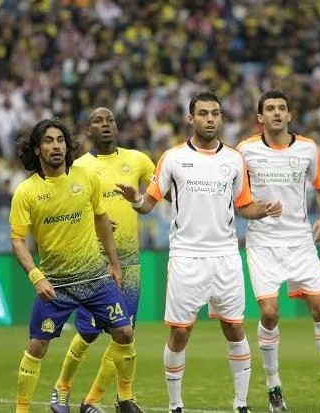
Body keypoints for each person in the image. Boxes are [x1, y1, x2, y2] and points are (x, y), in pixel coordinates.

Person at [115, 92, 282, 413]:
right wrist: (135, 199)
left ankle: (241, 404)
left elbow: (244, 205)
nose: (209, 119)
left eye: (215, 113)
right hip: (186, 257)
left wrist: (264, 209)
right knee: (180, 332)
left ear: (221, 118)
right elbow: (149, 204)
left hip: (226, 258)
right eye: (203, 113)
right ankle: (175, 405)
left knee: (234, 328)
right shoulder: (173, 158)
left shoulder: (234, 159)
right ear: (191, 119)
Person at [9, 117, 145, 413]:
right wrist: (36, 277)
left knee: (124, 332)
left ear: (67, 146)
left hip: (96, 278)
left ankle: (125, 399)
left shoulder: (85, 178)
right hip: (56, 284)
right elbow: (17, 241)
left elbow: (100, 219)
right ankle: (22, 409)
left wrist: (114, 264)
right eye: (47, 141)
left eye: (59, 140)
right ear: (36, 150)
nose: (55, 146)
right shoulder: (26, 192)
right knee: (37, 347)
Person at [236, 89, 320, 412]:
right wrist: (254, 209)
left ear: (289, 115)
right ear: (260, 118)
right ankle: (274, 388)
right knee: (270, 313)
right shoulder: (244, 151)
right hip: (262, 243)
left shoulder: (306, 149)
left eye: (282, 108)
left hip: (300, 242)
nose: (276, 113)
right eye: (270, 109)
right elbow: (236, 198)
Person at [50, 107, 155, 413]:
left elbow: (159, 194)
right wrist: (93, 222)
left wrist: (139, 199)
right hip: (94, 264)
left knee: (125, 334)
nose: (105, 125)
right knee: (88, 331)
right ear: (88, 129)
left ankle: (100, 400)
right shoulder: (79, 167)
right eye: (98, 121)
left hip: (130, 263)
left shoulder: (138, 160)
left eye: (110, 120)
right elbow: (67, 209)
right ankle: (61, 389)